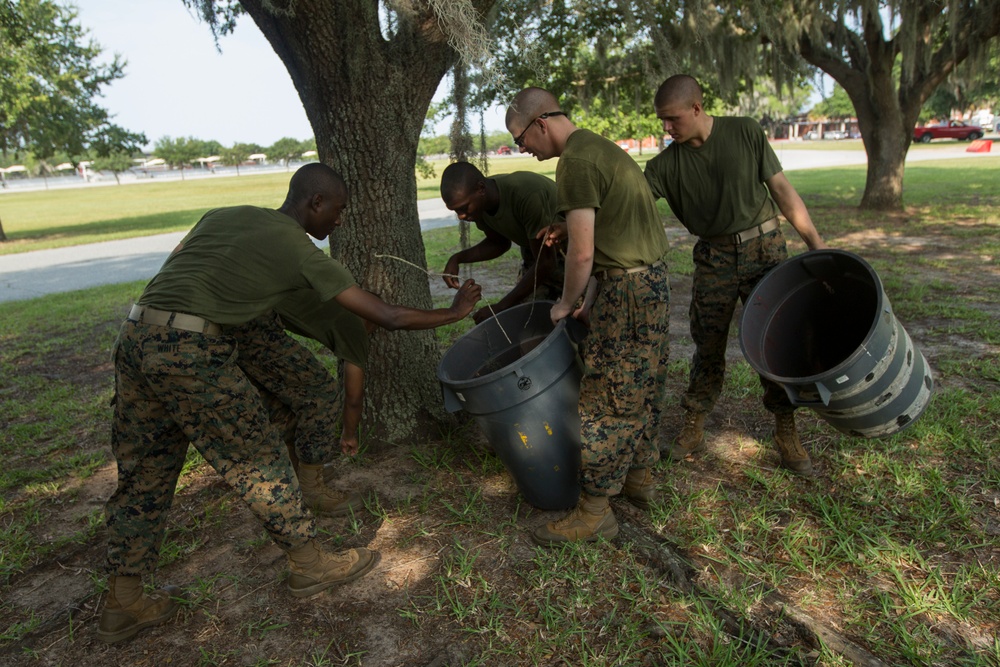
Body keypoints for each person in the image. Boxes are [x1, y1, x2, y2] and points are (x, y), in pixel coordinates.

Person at [98, 163, 482, 644]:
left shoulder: (224, 214)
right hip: (190, 350)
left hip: (137, 334)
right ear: (315, 203)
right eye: (338, 212)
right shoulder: (301, 250)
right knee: (257, 460)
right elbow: (386, 316)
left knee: (144, 474)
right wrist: (452, 312)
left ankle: (124, 601)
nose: (339, 223)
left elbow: (180, 265)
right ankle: (310, 564)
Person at [506, 87, 671, 545]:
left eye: (521, 140)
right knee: (644, 382)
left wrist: (565, 303)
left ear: (540, 123)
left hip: (628, 290)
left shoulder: (574, 162)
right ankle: (641, 477)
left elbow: (581, 255)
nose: (523, 150)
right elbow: (608, 227)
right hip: (651, 281)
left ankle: (595, 511)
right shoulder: (596, 146)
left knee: (607, 396)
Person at [643, 74, 828, 476]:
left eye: (672, 119)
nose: (666, 129)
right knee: (707, 344)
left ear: (696, 108)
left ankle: (785, 429)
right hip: (714, 257)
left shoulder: (744, 131)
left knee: (775, 342)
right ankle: (694, 423)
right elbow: (629, 200)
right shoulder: (663, 165)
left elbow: (781, 189)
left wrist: (816, 245)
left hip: (766, 249)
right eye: (662, 121)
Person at [228, 291, 371, 518]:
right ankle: (312, 489)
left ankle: (299, 473)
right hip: (249, 318)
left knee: (279, 403)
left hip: (229, 319)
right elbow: (353, 399)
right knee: (321, 395)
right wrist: (349, 434)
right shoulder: (356, 331)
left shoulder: (330, 304)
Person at [439, 161, 564, 323]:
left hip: (569, 251)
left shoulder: (525, 194)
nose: (461, 216)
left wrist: (500, 306)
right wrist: (457, 258)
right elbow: (498, 243)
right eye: (455, 211)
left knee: (578, 318)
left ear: (481, 189)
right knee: (527, 320)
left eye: (463, 208)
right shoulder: (480, 204)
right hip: (536, 254)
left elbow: (547, 262)